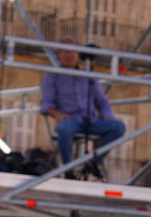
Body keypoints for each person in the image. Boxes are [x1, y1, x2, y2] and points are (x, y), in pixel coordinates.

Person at [41, 39, 125, 176]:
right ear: (58, 54)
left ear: (78, 54)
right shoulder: (52, 77)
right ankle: (68, 169)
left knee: (118, 127)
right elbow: (46, 104)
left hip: (91, 120)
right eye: (66, 51)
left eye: (73, 51)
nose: (70, 55)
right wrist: (57, 114)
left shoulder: (88, 76)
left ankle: (94, 161)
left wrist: (106, 113)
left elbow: (101, 101)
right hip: (70, 119)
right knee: (64, 129)